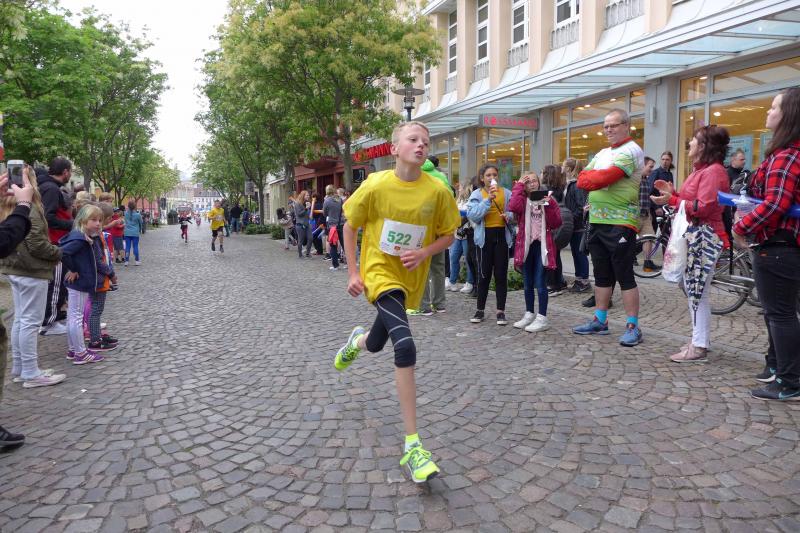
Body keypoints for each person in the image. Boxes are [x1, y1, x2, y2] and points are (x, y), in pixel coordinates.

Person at [333, 121, 459, 483]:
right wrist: (353, 272)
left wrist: (424, 252)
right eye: (413, 139)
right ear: (394, 148)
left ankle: (357, 342)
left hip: (409, 278)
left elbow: (449, 234)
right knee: (404, 346)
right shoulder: (376, 184)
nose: (421, 145)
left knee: (376, 343)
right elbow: (349, 226)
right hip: (379, 271)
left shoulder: (437, 191)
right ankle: (413, 447)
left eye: (426, 142)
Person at [732, 87, 800, 400]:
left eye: (774, 107)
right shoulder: (785, 153)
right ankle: (777, 368)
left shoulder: (787, 156)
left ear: (789, 115)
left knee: (781, 314)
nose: (768, 112)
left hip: (779, 247)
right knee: (778, 313)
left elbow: (776, 204)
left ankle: (789, 381)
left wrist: (741, 227)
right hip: (779, 246)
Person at [651, 125, 731, 363]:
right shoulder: (704, 170)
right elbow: (694, 202)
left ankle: (699, 345)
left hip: (704, 235)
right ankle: (699, 341)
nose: (690, 144)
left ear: (704, 146)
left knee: (697, 292)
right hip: (698, 235)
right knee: (695, 290)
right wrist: (673, 194)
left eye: (694, 140)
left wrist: (673, 199)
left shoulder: (712, 172)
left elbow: (703, 207)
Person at [573, 108, 644, 347]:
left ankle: (632, 326)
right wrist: (593, 179)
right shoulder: (603, 152)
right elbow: (582, 179)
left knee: (624, 275)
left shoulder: (632, 150)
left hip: (621, 222)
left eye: (613, 125)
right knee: (601, 274)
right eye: (605, 126)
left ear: (626, 126)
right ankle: (600, 320)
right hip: (597, 221)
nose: (608, 130)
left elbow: (604, 178)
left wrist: (594, 179)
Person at [0, 167, 66, 389]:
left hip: (14, 268)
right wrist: (58, 252)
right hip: (31, 270)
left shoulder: (5, 205)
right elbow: (37, 244)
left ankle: (21, 368)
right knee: (29, 321)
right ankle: (30, 372)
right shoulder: (30, 208)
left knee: (21, 319)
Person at [508, 172, 562, 332]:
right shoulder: (522, 199)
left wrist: (549, 204)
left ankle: (542, 318)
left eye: (534, 181)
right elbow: (513, 207)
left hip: (542, 245)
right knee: (527, 283)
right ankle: (529, 313)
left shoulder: (548, 198)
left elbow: (556, 222)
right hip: (526, 246)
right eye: (528, 182)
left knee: (540, 282)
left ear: (539, 183)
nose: (532, 184)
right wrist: (518, 186)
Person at [59, 204, 107, 365]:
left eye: (100, 220)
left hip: (79, 282)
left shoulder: (81, 236)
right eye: (93, 220)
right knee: (76, 317)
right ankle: (80, 353)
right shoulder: (80, 239)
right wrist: (73, 269)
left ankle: (73, 349)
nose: (98, 223)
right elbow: (63, 253)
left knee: (72, 316)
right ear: (83, 220)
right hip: (79, 283)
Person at [467, 164, 513, 325]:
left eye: (494, 174)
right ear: (482, 178)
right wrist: (488, 200)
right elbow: (473, 215)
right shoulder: (477, 194)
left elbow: (514, 212)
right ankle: (480, 310)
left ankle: (501, 311)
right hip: (484, 238)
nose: (492, 177)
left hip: (501, 236)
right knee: (483, 275)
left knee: (501, 275)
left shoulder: (506, 193)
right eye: (488, 175)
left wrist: (509, 215)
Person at [37, 158, 73, 335]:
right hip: (55, 242)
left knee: (58, 282)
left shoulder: (49, 187)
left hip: (56, 241)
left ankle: (56, 316)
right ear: (65, 172)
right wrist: (71, 225)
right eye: (70, 172)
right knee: (56, 283)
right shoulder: (51, 189)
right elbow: (48, 218)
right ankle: (48, 322)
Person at [86, 202, 119, 352]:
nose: (100, 224)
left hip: (100, 276)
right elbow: (98, 260)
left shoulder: (96, 234)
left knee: (97, 308)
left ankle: (97, 336)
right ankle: (95, 340)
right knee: (96, 309)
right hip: (98, 277)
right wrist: (111, 274)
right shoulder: (94, 236)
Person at [562, 158, 591, 293]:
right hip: (575, 225)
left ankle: (584, 282)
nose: (561, 168)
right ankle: (579, 280)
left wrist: (570, 219)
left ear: (568, 168)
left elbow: (581, 206)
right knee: (575, 253)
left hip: (578, 226)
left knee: (579, 254)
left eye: (563, 165)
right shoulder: (571, 184)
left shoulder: (576, 185)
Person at [541, 164, 569, 296]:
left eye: (542, 172)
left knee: (548, 254)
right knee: (556, 254)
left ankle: (550, 285)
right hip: (561, 223)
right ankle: (559, 283)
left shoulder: (543, 189)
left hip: (549, 224)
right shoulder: (561, 189)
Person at [446, 183, 475, 293]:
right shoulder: (458, 201)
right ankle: (452, 282)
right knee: (453, 257)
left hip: (466, 234)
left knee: (468, 259)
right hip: (457, 234)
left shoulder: (471, 201)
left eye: (461, 188)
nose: (459, 189)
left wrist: (458, 218)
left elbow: (467, 215)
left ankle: (469, 282)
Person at [636, 156, 658, 271]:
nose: (652, 169)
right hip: (635, 214)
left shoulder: (646, 179)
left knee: (649, 237)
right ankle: (629, 259)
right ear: (643, 166)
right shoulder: (634, 178)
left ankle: (647, 263)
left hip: (645, 214)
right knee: (629, 240)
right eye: (650, 167)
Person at [322, 184, 344, 270]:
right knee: (344, 244)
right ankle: (349, 263)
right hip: (341, 223)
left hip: (332, 225)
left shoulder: (327, 201)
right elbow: (342, 211)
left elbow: (325, 213)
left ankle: (335, 265)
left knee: (333, 245)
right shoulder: (339, 199)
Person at [293, 190, 313, 258]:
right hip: (300, 224)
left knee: (310, 238)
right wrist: (306, 209)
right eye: (307, 195)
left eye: (308, 195)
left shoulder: (307, 203)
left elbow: (307, 214)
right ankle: (300, 254)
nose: (308, 196)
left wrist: (309, 211)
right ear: (303, 196)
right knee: (301, 240)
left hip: (307, 224)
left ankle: (308, 253)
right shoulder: (297, 203)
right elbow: (299, 214)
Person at [123, 200, 143, 265]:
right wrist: (140, 229)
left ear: (128, 206)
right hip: (135, 233)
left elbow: (125, 221)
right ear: (135, 206)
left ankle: (126, 261)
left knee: (127, 247)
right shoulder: (138, 215)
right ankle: (137, 260)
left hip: (127, 233)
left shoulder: (125, 214)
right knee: (135, 246)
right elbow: (141, 223)